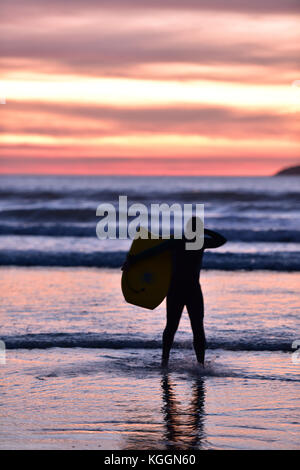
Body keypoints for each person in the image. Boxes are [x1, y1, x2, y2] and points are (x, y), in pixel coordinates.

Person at [122, 217, 226, 368]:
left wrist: (133, 260)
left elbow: (152, 252)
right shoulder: (192, 242)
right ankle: (171, 362)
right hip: (184, 290)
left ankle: (191, 362)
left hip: (184, 290)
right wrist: (132, 261)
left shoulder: (188, 242)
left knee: (191, 327)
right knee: (177, 327)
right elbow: (153, 252)